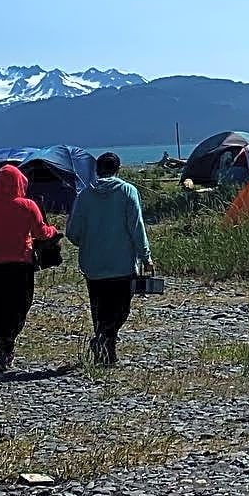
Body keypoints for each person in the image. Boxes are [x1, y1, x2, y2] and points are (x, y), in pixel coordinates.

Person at [0, 164, 59, 372]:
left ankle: (3, 346)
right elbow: (41, 233)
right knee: (19, 306)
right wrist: (53, 230)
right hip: (20, 264)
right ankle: (7, 345)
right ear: (20, 183)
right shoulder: (28, 206)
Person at [65, 152, 152, 366]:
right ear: (118, 169)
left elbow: (72, 231)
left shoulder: (84, 195)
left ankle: (105, 348)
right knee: (121, 309)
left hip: (93, 265)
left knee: (99, 310)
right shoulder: (127, 191)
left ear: (97, 170)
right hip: (122, 264)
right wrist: (145, 256)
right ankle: (106, 342)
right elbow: (136, 227)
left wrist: (86, 244)